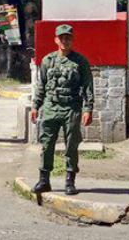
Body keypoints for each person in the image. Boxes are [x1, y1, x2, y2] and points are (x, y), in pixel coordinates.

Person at [31, 24, 94, 196]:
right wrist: (35, 106)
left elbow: (88, 86)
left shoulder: (80, 61)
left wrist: (88, 109)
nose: (65, 41)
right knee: (46, 144)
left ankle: (69, 181)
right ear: (56, 40)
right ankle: (44, 180)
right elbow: (41, 86)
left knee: (71, 145)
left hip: (71, 107)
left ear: (72, 40)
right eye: (62, 38)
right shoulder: (47, 60)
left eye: (68, 38)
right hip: (51, 107)